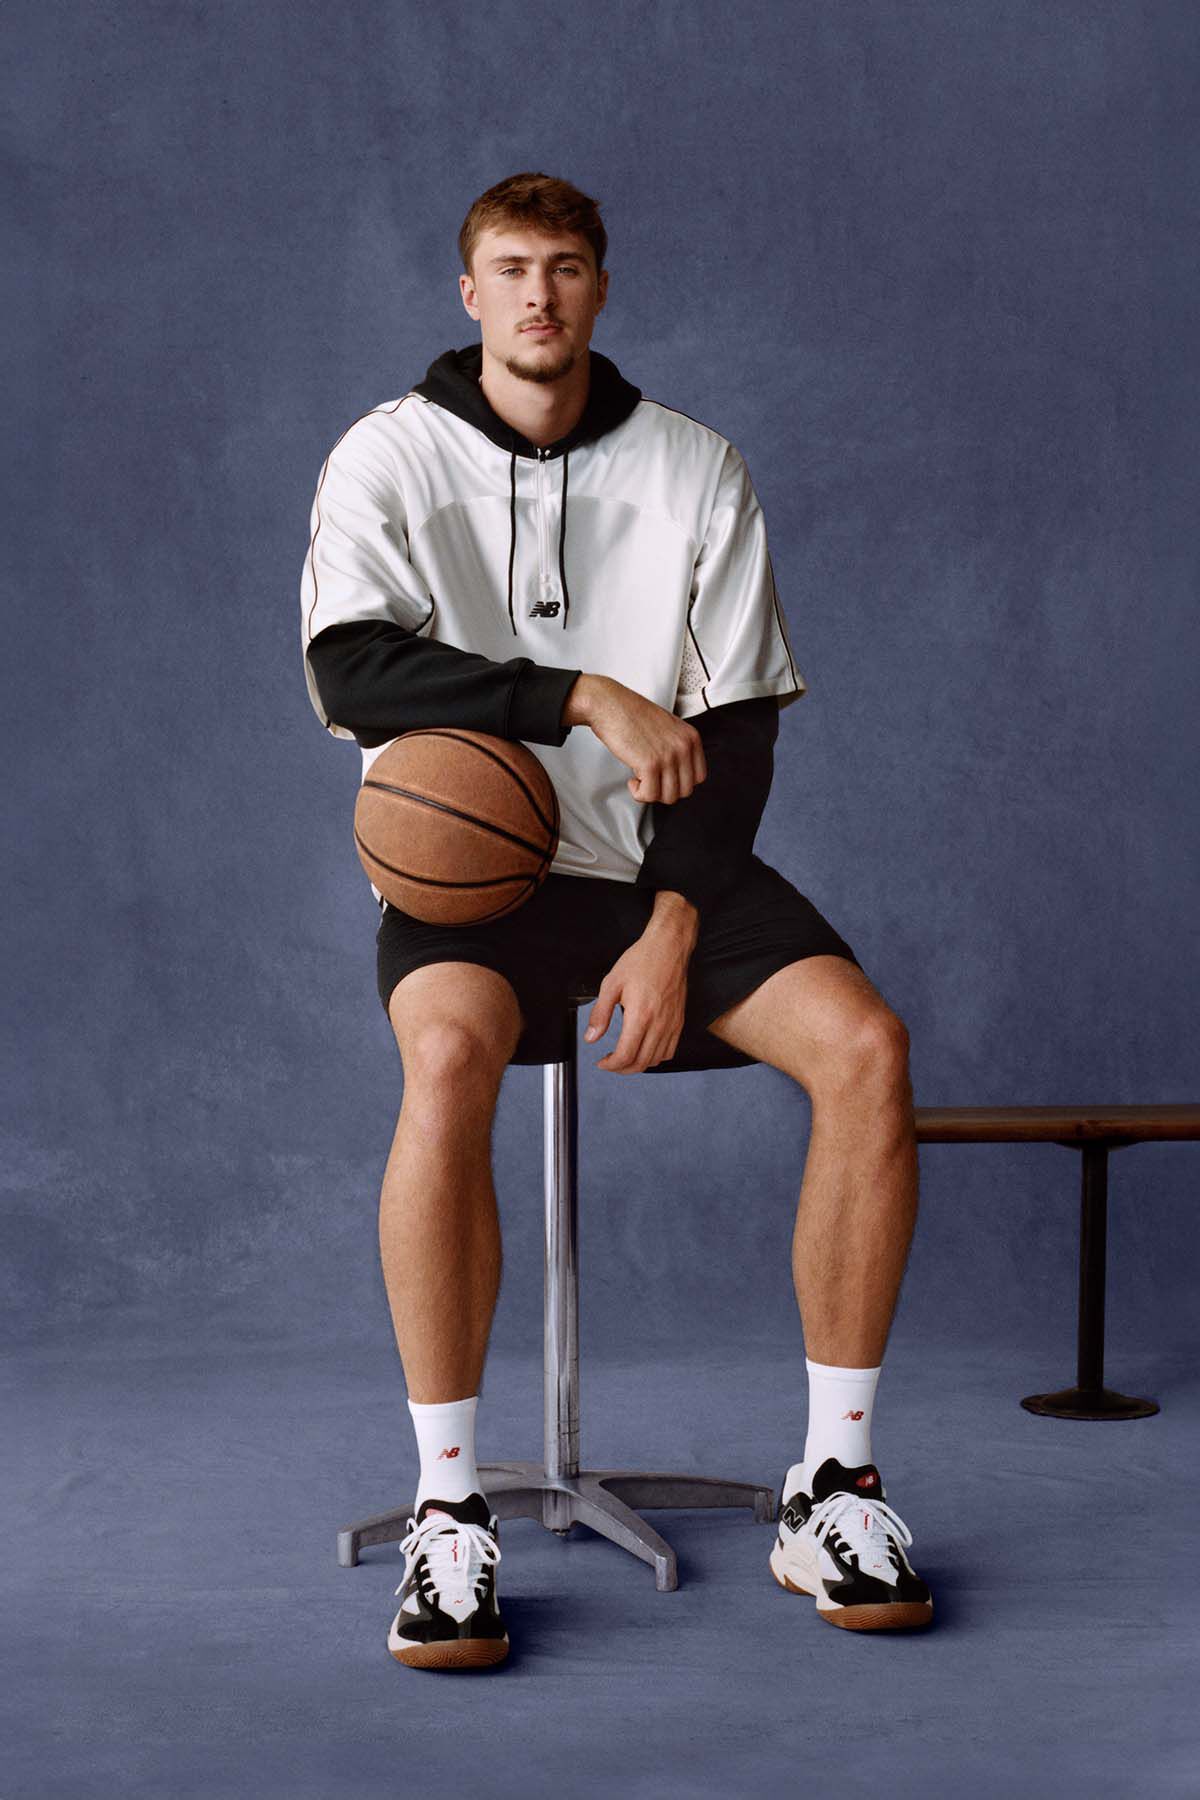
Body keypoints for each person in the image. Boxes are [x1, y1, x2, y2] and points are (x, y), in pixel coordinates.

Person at [299, 172, 932, 1669]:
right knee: (446, 1064)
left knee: (867, 1051)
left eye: (566, 268)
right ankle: (451, 1514)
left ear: (600, 287)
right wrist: (574, 692)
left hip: (661, 866)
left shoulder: (696, 468)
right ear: (468, 292)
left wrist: (668, 920)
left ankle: (831, 1487)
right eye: (511, 269)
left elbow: (744, 724)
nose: (539, 296)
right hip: (476, 878)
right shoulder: (385, 458)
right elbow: (352, 677)